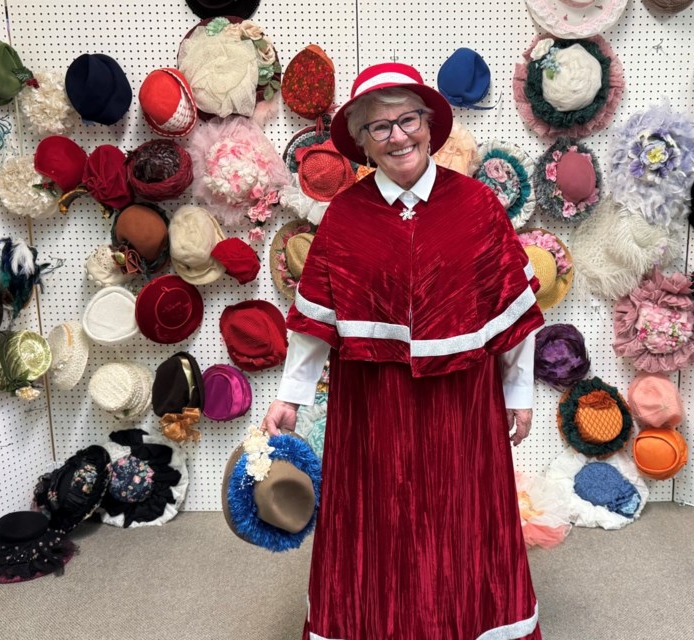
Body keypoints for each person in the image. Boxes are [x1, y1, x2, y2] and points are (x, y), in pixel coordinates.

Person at [263, 62, 545, 640]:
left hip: (462, 396)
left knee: (462, 516)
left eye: (408, 119)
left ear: (429, 124)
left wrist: (519, 394)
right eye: (380, 127)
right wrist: (291, 395)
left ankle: (472, 623)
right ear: (363, 141)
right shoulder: (344, 216)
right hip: (372, 399)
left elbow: (510, 313)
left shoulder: (478, 207)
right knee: (374, 519)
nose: (398, 137)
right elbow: (316, 318)